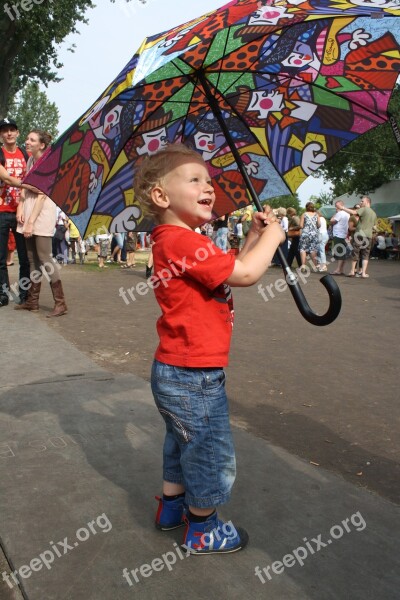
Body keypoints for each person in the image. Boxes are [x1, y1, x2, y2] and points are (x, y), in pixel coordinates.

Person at [133, 143, 284, 555]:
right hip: (193, 374)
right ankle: (203, 528)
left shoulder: (180, 239)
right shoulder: (183, 242)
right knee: (208, 450)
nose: (209, 187)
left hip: (179, 369)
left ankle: (171, 508)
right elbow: (248, 274)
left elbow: (231, 267)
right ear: (162, 196)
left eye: (210, 180)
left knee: (180, 442)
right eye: (195, 179)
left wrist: (254, 235)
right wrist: (274, 236)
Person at [15, 129, 67, 316]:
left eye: (32, 140)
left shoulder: (48, 163)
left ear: (42, 145)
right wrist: (21, 208)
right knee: (31, 259)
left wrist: (30, 222)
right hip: (29, 208)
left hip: (42, 212)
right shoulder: (30, 160)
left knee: (45, 257)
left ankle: (60, 303)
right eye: (27, 138)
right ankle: (32, 301)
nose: (27, 142)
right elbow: (26, 186)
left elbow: (42, 194)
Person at [0, 118, 30, 306]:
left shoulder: (26, 155)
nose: (9, 133)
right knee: (1, 258)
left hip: (22, 211)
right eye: (5, 130)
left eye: (12, 130)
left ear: (18, 133)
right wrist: (29, 184)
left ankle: (24, 293)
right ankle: (3, 294)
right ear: (1, 135)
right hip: (2, 211)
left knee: (25, 258)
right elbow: (6, 178)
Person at [337, 196, 377, 278]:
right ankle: (363, 273)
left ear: (367, 202)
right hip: (369, 235)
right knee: (365, 254)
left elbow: (354, 212)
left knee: (355, 252)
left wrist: (342, 208)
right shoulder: (374, 213)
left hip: (359, 235)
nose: (360, 203)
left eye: (362, 201)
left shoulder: (364, 209)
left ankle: (352, 271)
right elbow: (374, 227)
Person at [329, 200, 350, 276]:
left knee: (339, 253)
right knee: (342, 253)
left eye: (336, 206)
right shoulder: (347, 214)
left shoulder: (339, 213)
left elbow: (331, 221)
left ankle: (338, 270)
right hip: (344, 235)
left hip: (338, 235)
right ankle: (341, 269)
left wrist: (335, 214)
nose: (335, 207)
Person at [298, 202, 320, 272]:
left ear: (306, 207)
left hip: (305, 234)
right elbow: (319, 225)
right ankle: (315, 266)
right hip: (314, 234)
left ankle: (303, 266)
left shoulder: (304, 214)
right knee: (313, 250)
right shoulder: (317, 215)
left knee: (303, 249)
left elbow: (301, 226)